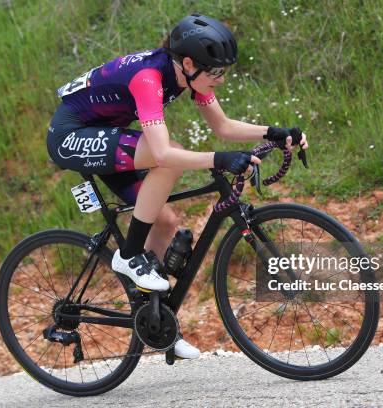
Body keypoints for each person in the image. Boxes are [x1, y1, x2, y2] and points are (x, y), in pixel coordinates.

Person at [46, 13, 308, 359]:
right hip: (71, 136)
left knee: (166, 222)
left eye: (224, 71)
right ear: (188, 63)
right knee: (170, 159)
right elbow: (163, 152)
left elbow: (223, 127)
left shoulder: (187, 77)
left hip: (106, 135)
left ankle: (154, 323)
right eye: (216, 72)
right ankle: (128, 257)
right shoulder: (148, 78)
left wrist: (274, 132)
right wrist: (219, 159)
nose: (221, 79)